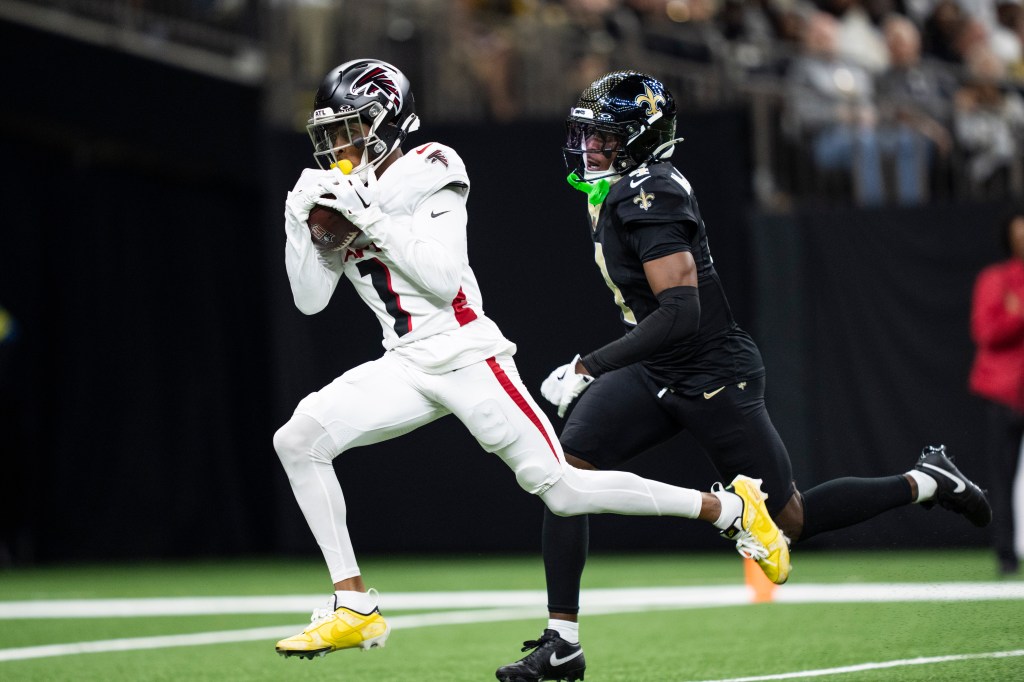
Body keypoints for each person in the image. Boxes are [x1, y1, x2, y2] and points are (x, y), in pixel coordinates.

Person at [272, 58, 792, 661]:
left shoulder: (430, 165)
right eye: (333, 132)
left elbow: (442, 281)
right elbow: (310, 302)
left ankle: (731, 509)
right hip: (405, 360)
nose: (339, 144)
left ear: (386, 119)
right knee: (298, 439)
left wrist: (370, 219)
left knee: (564, 490)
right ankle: (354, 605)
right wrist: (297, 223)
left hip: (466, 352)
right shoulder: (342, 189)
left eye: (351, 127)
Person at [494, 70, 993, 682]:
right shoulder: (623, 187)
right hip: (656, 367)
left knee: (791, 520)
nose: (591, 148)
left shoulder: (647, 193)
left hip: (710, 373)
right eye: (590, 135)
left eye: (606, 137)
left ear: (644, 138)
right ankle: (562, 642)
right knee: (565, 478)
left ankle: (926, 480)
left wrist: (588, 365)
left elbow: (681, 313)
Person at [969, 205, 1024, 577]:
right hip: (1004, 393)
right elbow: (987, 332)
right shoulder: (995, 278)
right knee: (1002, 478)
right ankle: (1006, 553)